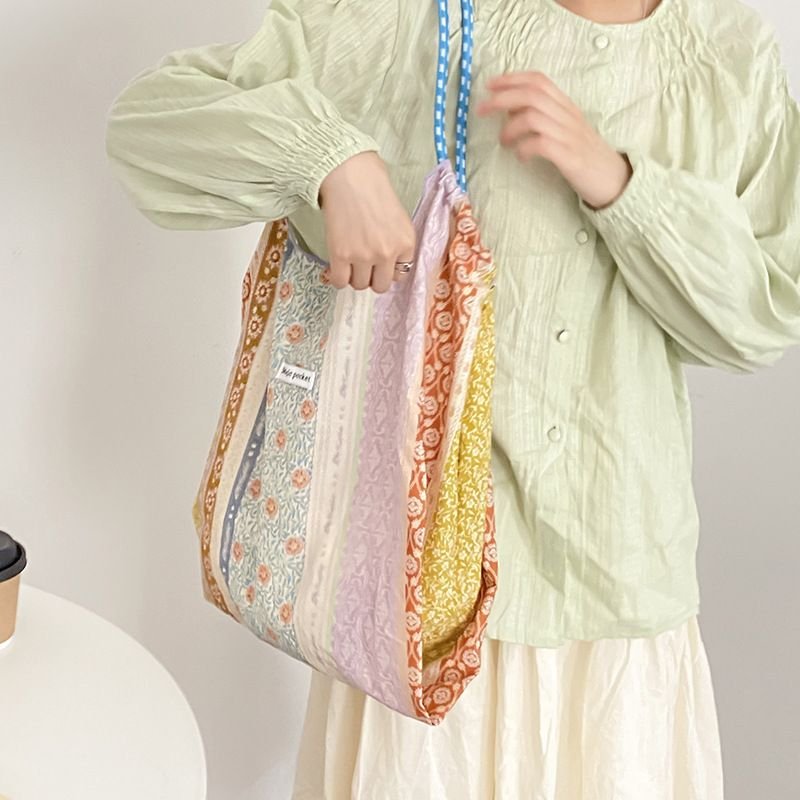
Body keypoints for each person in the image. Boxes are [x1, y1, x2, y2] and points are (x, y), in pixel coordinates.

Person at [104, 0, 800, 796]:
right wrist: (329, 159)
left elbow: (762, 316)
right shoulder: (412, 18)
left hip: (621, 593)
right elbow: (148, 123)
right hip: (421, 597)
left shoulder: (727, 50)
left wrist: (618, 182)